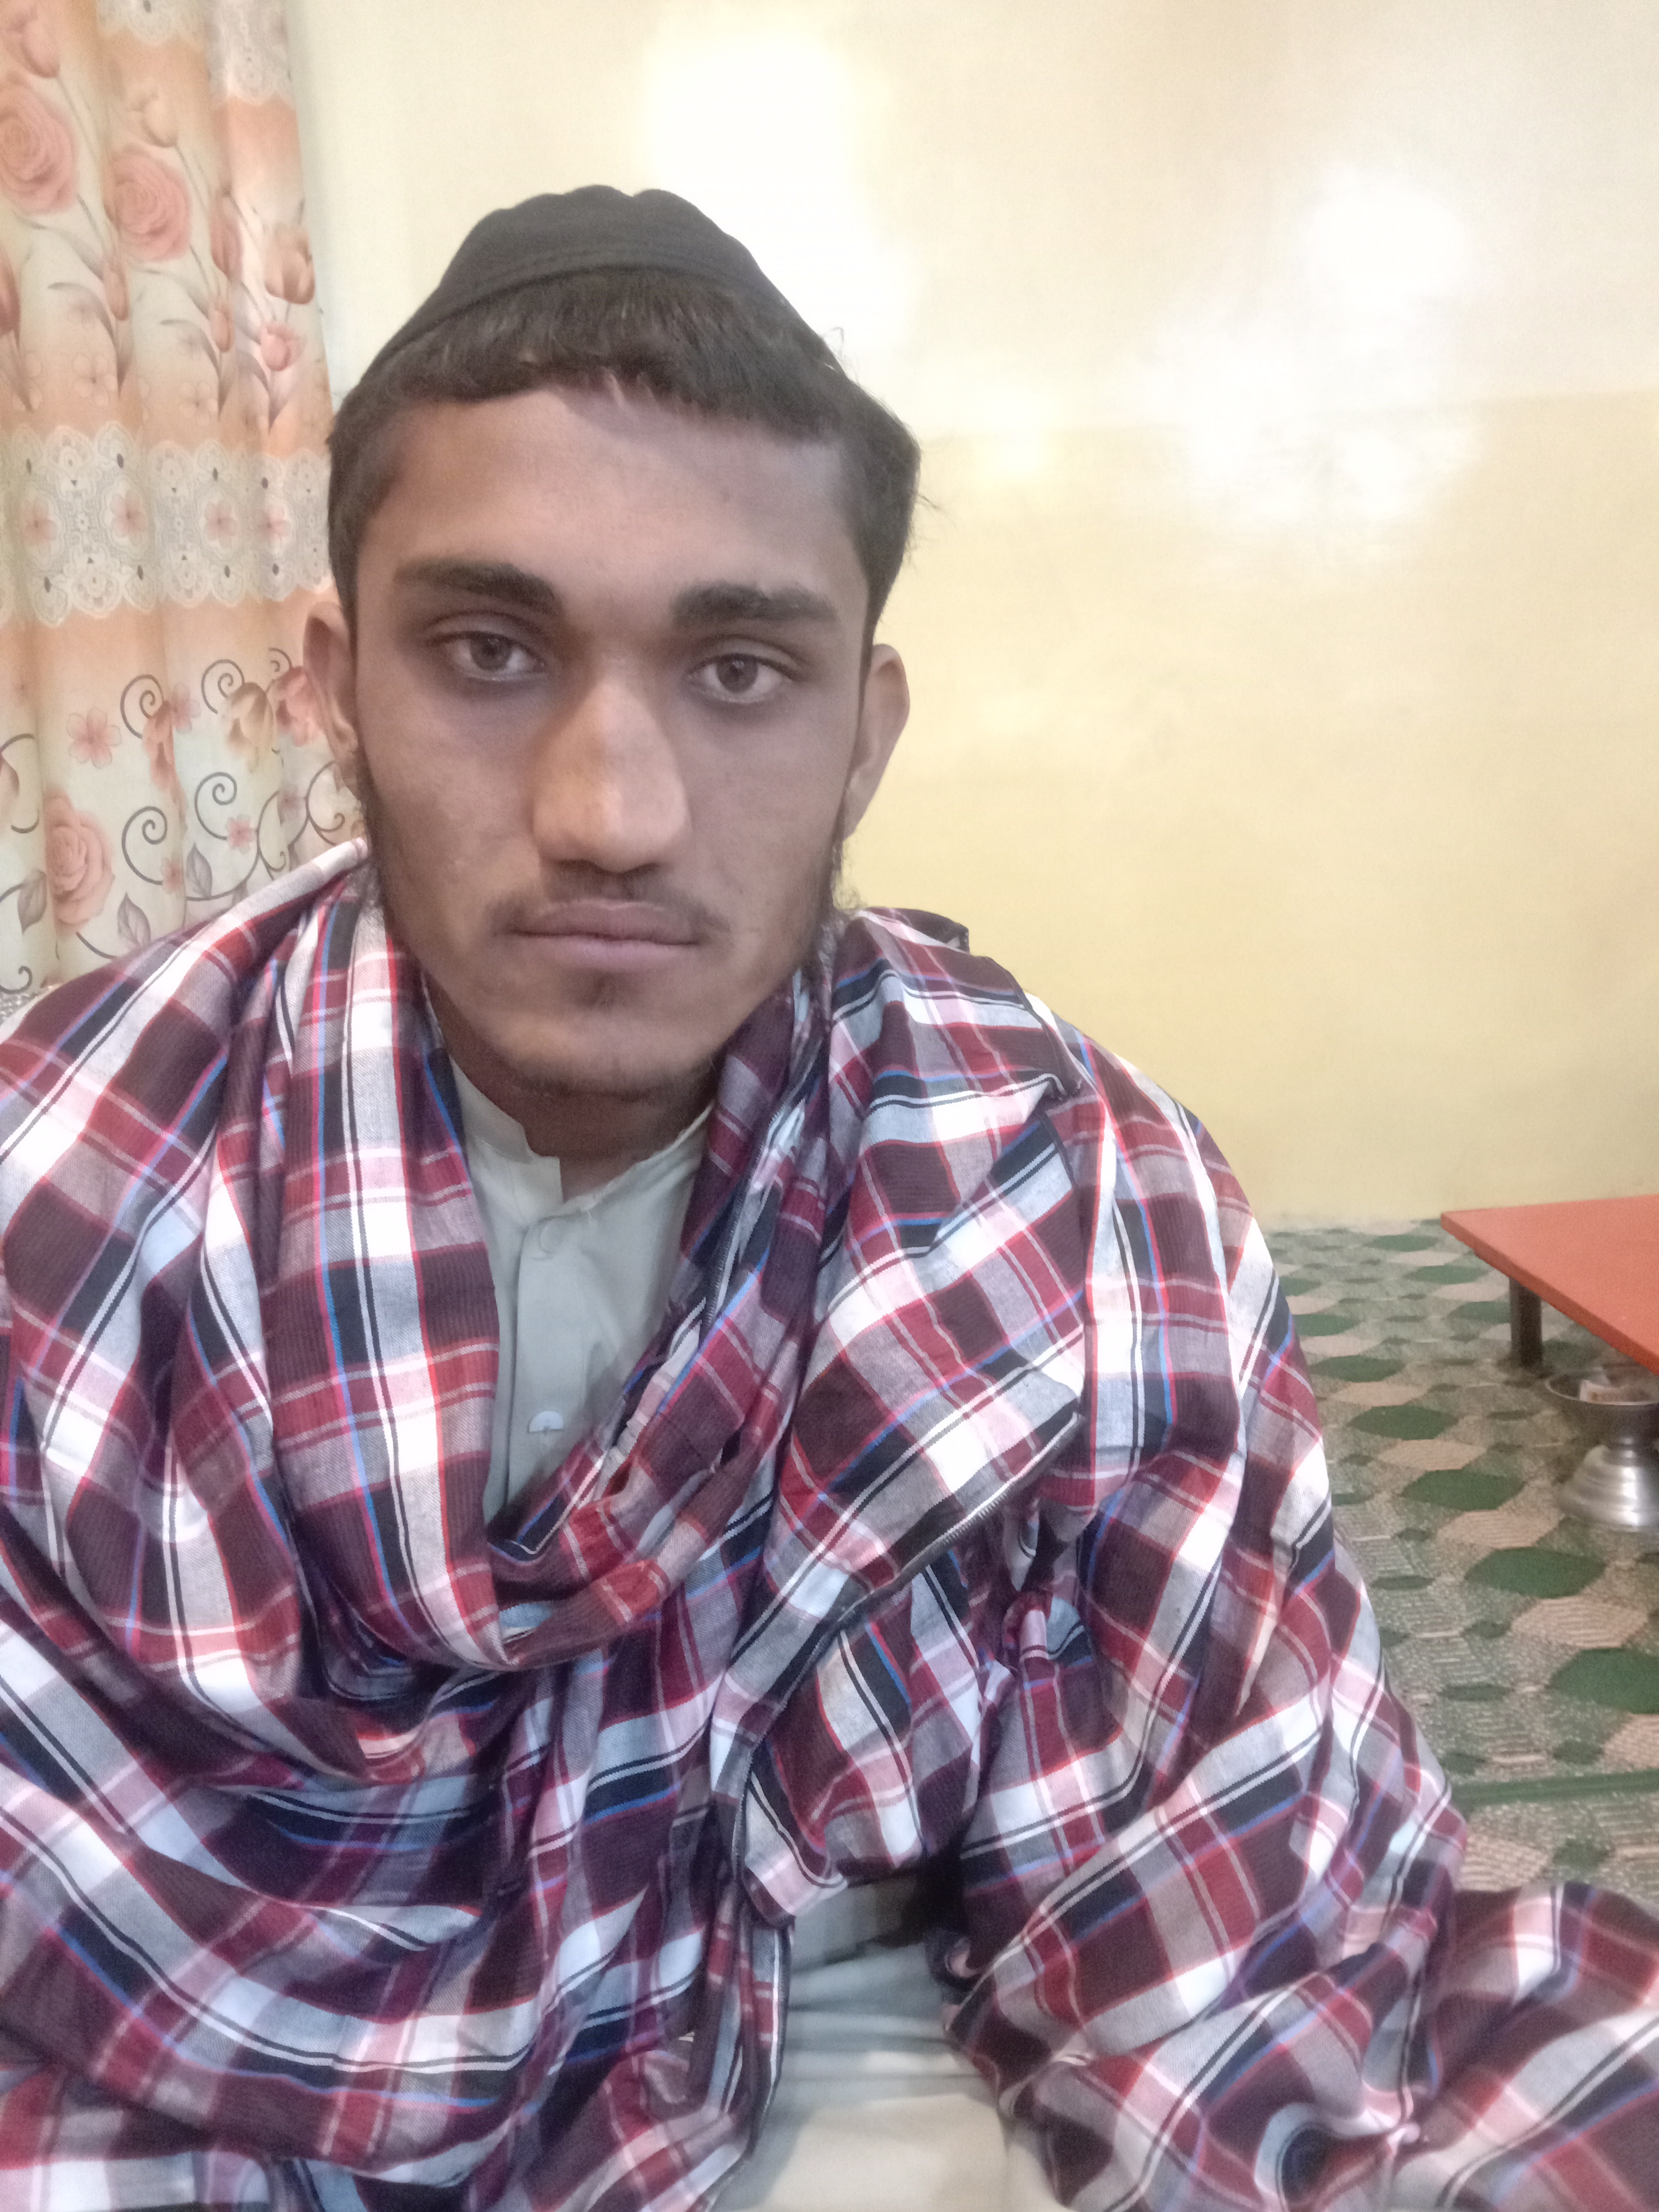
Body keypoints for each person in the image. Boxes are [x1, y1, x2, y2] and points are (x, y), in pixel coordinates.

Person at [0, 185, 1650, 2212]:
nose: (611, 813)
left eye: (740, 671)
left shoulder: (1073, 1196)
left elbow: (1233, 1929)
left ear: (866, 733)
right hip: (201, 2067)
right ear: (338, 686)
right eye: (490, 653)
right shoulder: (67, 1190)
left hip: (856, 1984)